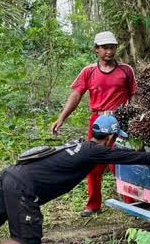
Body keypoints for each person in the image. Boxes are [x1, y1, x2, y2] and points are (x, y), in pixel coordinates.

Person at [0, 116, 150, 244]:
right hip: (22, 186)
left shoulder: (81, 145)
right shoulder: (96, 151)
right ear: (110, 138)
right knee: (26, 239)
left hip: (9, 175)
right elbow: (126, 157)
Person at [51, 31, 137, 217]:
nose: (109, 51)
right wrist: (61, 118)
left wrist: (135, 119)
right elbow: (76, 95)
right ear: (96, 49)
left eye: (112, 47)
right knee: (93, 162)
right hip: (97, 121)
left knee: (121, 161)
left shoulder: (126, 70)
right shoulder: (89, 71)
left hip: (120, 121)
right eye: (105, 48)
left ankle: (132, 203)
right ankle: (93, 205)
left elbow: (134, 96)